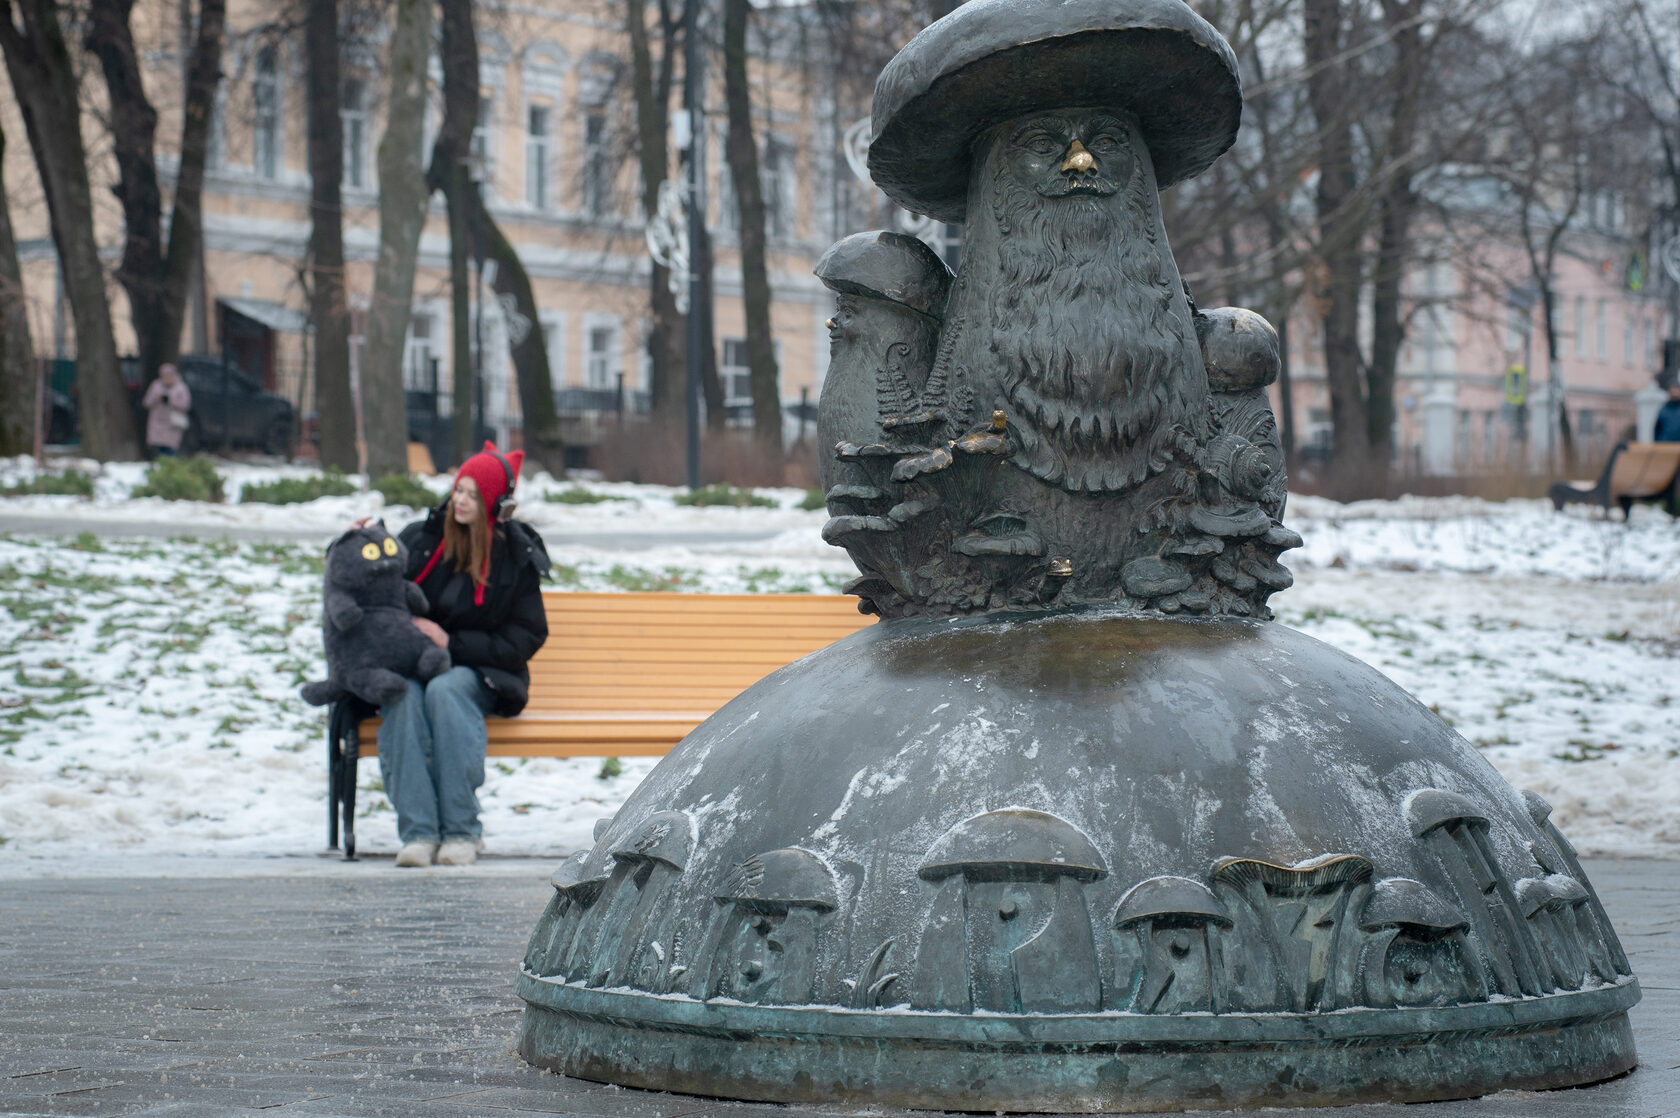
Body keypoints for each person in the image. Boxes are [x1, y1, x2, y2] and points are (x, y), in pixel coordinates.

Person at [380, 442, 551, 867]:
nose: (460, 500)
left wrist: (452, 644)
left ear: (493, 503)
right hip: (415, 664)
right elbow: (378, 589)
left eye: (474, 495)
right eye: (459, 489)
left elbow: (527, 634)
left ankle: (460, 830)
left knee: (446, 690)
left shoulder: (513, 555)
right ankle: (419, 833)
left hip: (482, 672)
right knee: (402, 696)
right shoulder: (421, 539)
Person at [142, 363, 192, 457]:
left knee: (170, 451)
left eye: (169, 375)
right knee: (157, 451)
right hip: (157, 422)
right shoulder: (156, 386)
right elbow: (146, 402)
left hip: (173, 423)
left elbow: (186, 404)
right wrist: (156, 398)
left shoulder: (181, 388)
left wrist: (170, 400)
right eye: (164, 376)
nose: (166, 378)